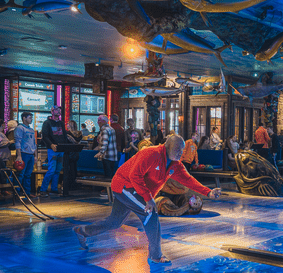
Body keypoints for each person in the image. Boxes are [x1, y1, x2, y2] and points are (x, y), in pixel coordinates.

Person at [74, 135, 222, 264]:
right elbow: (134, 176)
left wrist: (208, 192)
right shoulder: (151, 153)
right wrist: (148, 198)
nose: (180, 153)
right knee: (150, 213)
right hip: (124, 184)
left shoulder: (175, 165)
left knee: (115, 222)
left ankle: (82, 231)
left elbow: (188, 180)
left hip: (133, 190)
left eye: (182, 150)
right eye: (177, 149)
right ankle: (155, 256)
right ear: (167, 146)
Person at [40, 106, 68, 197]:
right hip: (52, 149)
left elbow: (64, 135)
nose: (59, 111)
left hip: (61, 148)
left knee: (58, 170)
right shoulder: (47, 122)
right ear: (52, 111)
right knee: (51, 170)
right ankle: (43, 189)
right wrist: (51, 144)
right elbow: (45, 136)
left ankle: (54, 189)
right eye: (56, 110)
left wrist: (65, 145)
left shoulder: (61, 123)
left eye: (59, 110)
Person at [14, 112, 37, 195]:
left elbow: (34, 143)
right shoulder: (19, 128)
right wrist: (19, 155)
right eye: (30, 118)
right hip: (23, 153)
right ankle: (17, 193)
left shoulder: (31, 130)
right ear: (24, 118)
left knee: (28, 174)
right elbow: (17, 142)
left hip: (30, 154)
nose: (31, 119)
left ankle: (27, 192)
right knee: (20, 174)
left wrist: (35, 156)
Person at [94, 114, 118, 181]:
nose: (98, 123)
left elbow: (105, 143)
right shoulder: (111, 129)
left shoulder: (104, 130)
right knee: (111, 174)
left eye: (98, 121)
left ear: (102, 122)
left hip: (107, 155)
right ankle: (111, 187)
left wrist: (100, 152)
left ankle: (107, 187)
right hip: (113, 155)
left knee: (107, 176)